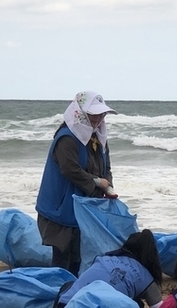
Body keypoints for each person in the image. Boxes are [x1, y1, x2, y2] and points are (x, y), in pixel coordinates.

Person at [36, 91, 118, 276]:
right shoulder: (67, 138)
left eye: (102, 114)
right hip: (60, 209)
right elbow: (70, 170)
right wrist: (98, 182)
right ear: (80, 112)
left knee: (78, 258)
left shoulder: (98, 137)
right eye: (93, 114)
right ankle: (59, 293)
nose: (98, 118)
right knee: (61, 258)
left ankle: (73, 291)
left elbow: (106, 167)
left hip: (83, 208)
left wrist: (109, 187)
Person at [38, 229, 163, 308]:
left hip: (67, 307)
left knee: (69, 286)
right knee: (137, 305)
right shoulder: (145, 277)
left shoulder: (103, 258)